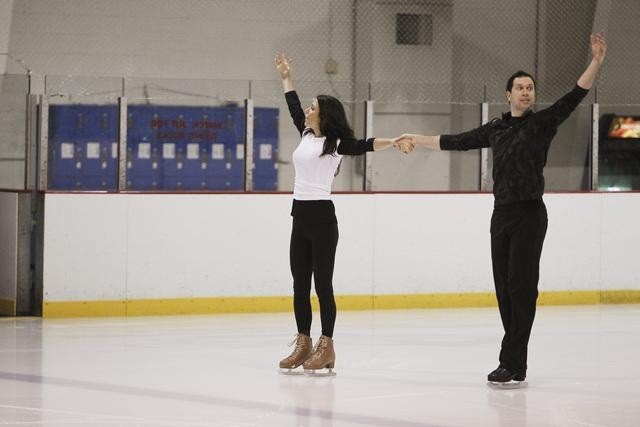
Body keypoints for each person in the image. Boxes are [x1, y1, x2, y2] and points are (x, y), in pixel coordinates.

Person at [397, 32, 607, 385]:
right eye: (520, 87)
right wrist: (416, 139)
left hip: (529, 214)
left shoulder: (542, 123)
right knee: (504, 289)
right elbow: (457, 141)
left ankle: (508, 361)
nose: (526, 92)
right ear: (508, 94)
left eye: (530, 87)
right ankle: (517, 363)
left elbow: (575, 96)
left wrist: (596, 62)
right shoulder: (495, 128)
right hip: (502, 215)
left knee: (521, 287)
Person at [275, 53, 407, 376]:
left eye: (313, 108)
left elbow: (364, 145)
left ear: (324, 115)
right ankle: (303, 342)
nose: (307, 110)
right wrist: (286, 77)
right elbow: (294, 108)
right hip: (300, 218)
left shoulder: (334, 144)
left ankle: (327, 344)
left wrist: (394, 141)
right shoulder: (307, 135)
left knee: (323, 285)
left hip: (322, 221)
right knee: (299, 285)